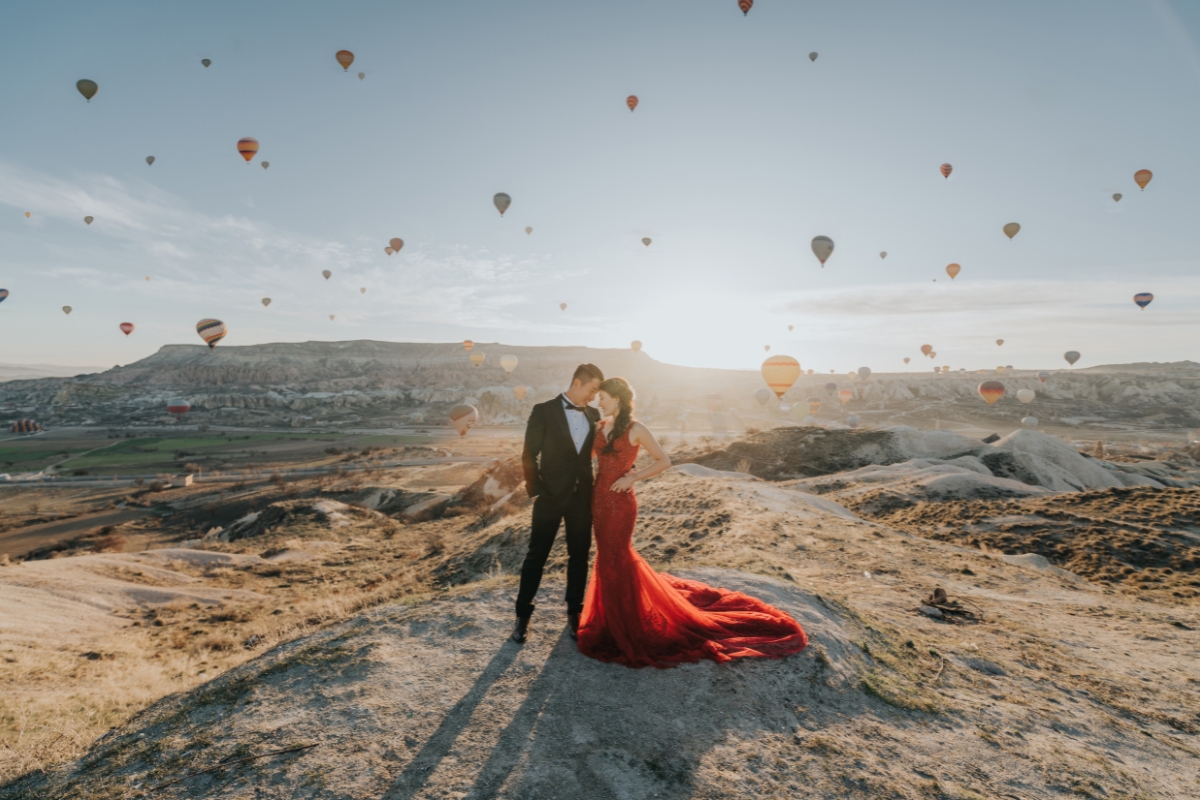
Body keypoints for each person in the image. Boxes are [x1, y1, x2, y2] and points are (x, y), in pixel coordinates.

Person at [577, 377, 808, 668]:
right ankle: (611, 616)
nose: (600, 402)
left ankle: (627, 620)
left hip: (622, 503)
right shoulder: (599, 427)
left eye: (604, 398)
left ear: (618, 399)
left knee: (618, 554)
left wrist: (633, 476)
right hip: (599, 499)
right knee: (605, 556)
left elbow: (663, 460)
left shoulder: (637, 429)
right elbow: (583, 460)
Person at [512, 363, 604, 643]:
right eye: (592, 390)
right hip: (549, 497)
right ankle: (522, 617)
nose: (594, 397)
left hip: (581, 498)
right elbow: (529, 454)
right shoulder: (543, 410)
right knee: (536, 557)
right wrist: (535, 491)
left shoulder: (595, 414)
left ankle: (574, 615)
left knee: (579, 557)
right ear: (577, 383)